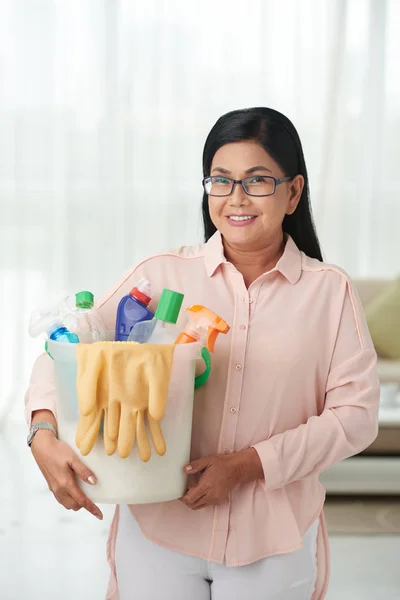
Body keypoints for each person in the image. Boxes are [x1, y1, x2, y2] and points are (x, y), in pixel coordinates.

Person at [25, 107, 380, 600]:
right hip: (158, 528)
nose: (236, 198)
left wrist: (249, 465)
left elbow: (356, 417)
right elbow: (66, 347)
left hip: (272, 537)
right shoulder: (161, 276)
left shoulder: (329, 292)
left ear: (293, 192)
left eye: (257, 181)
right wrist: (42, 430)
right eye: (221, 180)